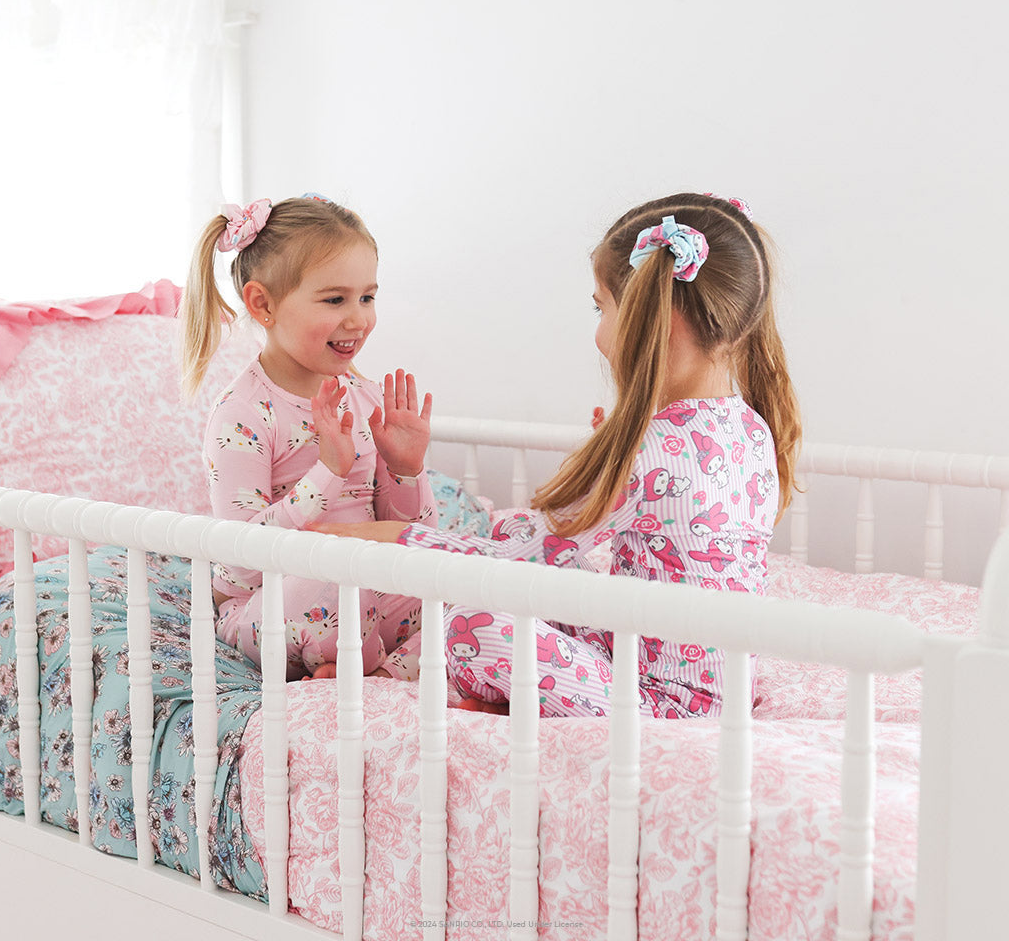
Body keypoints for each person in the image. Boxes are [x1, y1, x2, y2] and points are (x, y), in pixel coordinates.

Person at [320, 192, 801, 717]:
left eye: (603, 307)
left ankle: (484, 693)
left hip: (659, 705)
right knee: (550, 561)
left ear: (654, 320)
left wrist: (391, 538)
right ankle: (458, 684)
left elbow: (516, 561)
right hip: (710, 682)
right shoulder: (752, 427)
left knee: (470, 623)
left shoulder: (651, 448)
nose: (599, 332)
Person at [180, 193, 436, 681]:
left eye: (367, 297)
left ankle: (380, 678)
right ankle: (378, 672)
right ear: (263, 304)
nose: (358, 318)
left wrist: (406, 469)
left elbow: (408, 532)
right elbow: (241, 562)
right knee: (339, 573)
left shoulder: (363, 396)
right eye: (335, 299)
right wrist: (328, 474)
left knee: (456, 576)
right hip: (272, 601)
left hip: (364, 586)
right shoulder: (243, 413)